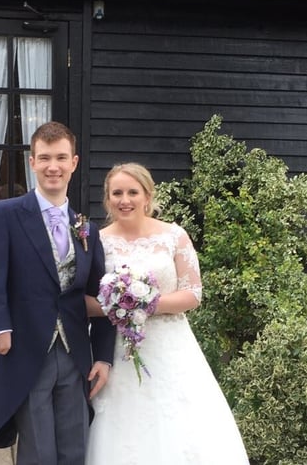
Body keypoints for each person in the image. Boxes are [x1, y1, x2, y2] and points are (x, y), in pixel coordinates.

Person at [84, 162, 250, 464]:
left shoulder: (174, 236)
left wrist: (145, 303)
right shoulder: (98, 241)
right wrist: (118, 305)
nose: (125, 200)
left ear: (147, 196)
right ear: (107, 199)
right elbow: (84, 301)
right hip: (118, 350)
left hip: (170, 345)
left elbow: (193, 293)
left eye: (133, 192)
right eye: (117, 193)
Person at [0, 121, 116, 464]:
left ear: (74, 163)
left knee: (75, 445)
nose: (53, 166)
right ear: (32, 162)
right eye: (45, 158)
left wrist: (103, 356)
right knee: (39, 449)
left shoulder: (87, 228)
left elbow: (103, 296)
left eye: (61, 158)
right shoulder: (6, 214)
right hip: (26, 347)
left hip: (74, 351)